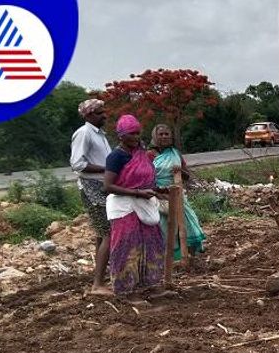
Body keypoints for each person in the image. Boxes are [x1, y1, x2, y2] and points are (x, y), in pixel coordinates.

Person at [103, 114, 165, 296]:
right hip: (124, 207)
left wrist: (158, 189)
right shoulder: (116, 157)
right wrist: (137, 192)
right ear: (121, 136)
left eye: (138, 133)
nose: (137, 137)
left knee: (150, 244)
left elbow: (144, 180)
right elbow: (107, 186)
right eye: (132, 133)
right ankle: (126, 291)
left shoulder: (141, 154)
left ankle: (148, 285)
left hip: (144, 203)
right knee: (127, 247)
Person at [70, 99, 112, 296]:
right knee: (109, 234)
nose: (104, 115)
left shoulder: (100, 135)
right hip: (92, 188)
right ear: (88, 115)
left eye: (103, 112)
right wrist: (107, 169)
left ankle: (100, 277)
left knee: (101, 234)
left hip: (102, 186)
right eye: (99, 113)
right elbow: (77, 164)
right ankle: (97, 285)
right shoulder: (84, 133)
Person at [148, 124, 206, 259]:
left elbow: (187, 175)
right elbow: (146, 178)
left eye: (166, 134)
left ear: (171, 136)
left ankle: (190, 257)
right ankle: (166, 259)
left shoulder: (175, 153)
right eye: (160, 134)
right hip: (159, 196)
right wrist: (159, 191)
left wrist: (179, 171)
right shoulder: (149, 155)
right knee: (164, 228)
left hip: (178, 193)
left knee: (187, 223)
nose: (164, 136)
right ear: (155, 137)